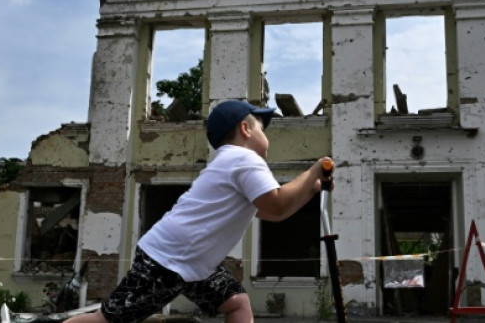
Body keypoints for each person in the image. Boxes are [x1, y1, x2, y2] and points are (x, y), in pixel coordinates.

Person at [65, 99, 332, 323]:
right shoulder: (244, 159)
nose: (267, 137)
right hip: (166, 260)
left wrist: (312, 187)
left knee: (237, 303)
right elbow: (277, 203)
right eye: (263, 129)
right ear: (245, 129)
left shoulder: (231, 164)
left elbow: (275, 213)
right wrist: (313, 170)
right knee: (107, 320)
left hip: (194, 264)